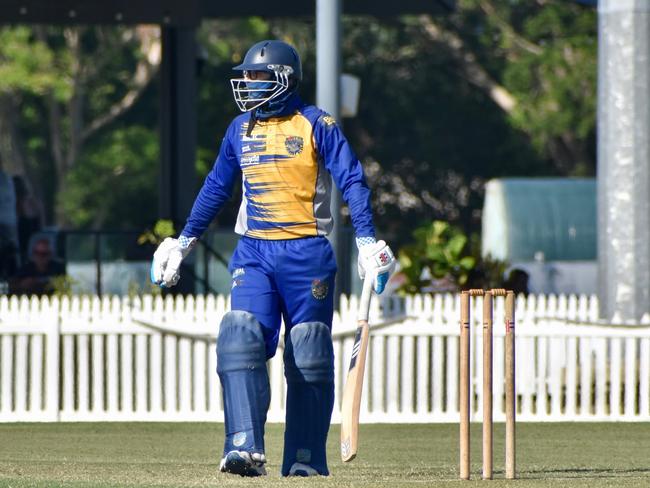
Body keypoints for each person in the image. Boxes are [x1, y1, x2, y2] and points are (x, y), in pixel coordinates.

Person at [150, 40, 396, 478]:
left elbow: (353, 181)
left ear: (285, 79)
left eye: (258, 77)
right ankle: (243, 447)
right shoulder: (239, 129)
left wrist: (366, 240)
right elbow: (215, 187)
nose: (248, 85)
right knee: (240, 333)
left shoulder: (316, 123)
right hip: (255, 251)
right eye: (246, 77)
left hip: (308, 253)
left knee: (309, 349)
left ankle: (304, 459)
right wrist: (183, 242)